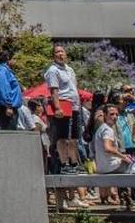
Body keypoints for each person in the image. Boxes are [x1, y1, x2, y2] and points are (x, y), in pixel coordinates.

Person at [45, 45, 83, 175]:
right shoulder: (53, 70)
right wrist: (57, 108)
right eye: (57, 52)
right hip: (63, 106)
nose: (60, 54)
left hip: (75, 106)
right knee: (62, 137)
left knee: (73, 137)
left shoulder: (70, 70)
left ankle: (74, 163)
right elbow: (54, 90)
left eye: (62, 51)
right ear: (53, 55)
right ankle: (64, 163)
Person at [0, 50, 23, 130]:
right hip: (5, 108)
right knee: (10, 136)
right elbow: (3, 89)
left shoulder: (4, 70)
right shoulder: (2, 71)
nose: (15, 61)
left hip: (6, 107)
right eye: (14, 59)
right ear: (8, 59)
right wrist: (8, 106)